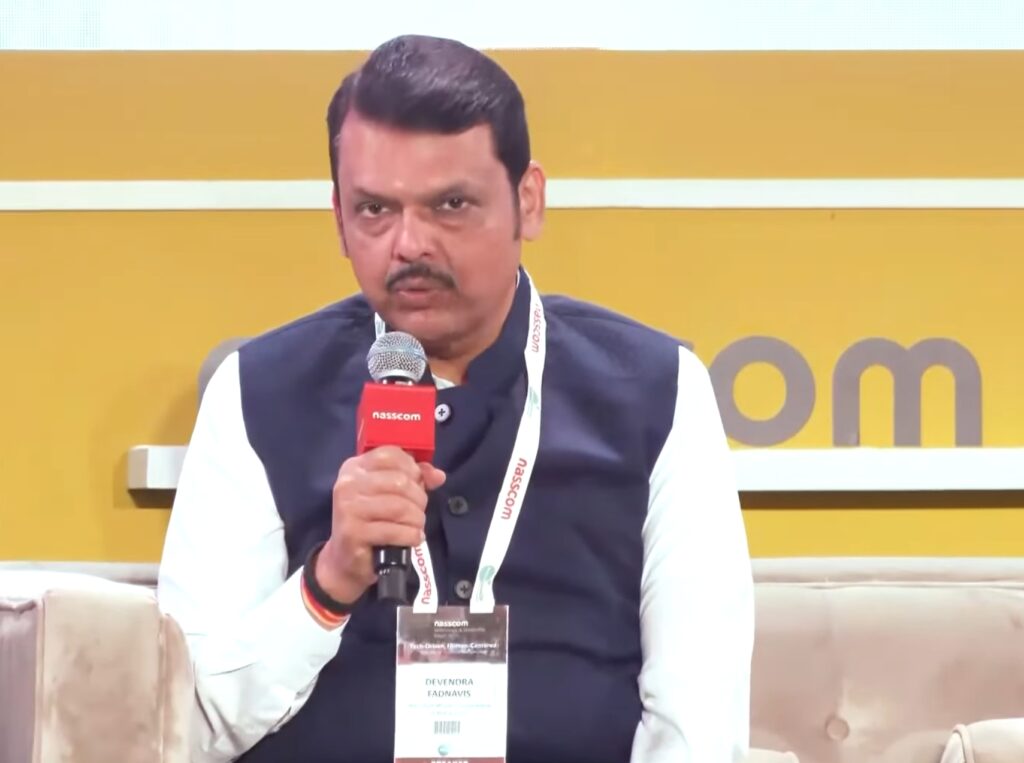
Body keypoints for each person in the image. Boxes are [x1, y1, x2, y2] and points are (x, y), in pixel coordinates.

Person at [157, 33, 754, 763]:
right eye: (375, 209)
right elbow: (182, 727)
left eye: (450, 204)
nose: (409, 244)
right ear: (339, 218)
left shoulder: (657, 392)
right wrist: (326, 582)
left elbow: (697, 723)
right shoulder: (258, 393)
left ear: (528, 201)